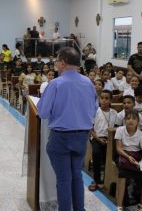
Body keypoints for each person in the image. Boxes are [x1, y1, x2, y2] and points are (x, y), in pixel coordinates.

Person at [37, 48, 97, 211]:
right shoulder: (88, 83)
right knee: (76, 176)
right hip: (81, 137)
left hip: (61, 138)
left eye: (57, 61)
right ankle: (79, 209)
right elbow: (94, 109)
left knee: (64, 179)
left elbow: (42, 112)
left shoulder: (56, 84)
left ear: (62, 62)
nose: (56, 64)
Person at [114, 109, 142, 211]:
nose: (131, 121)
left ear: (138, 121)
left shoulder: (140, 133)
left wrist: (141, 162)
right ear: (125, 120)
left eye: (134, 118)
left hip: (137, 157)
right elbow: (118, 148)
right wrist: (128, 157)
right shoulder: (120, 130)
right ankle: (119, 205)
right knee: (122, 176)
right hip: (124, 155)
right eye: (128, 118)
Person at [88, 90, 117, 192]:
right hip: (97, 137)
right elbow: (90, 129)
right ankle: (96, 180)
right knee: (96, 153)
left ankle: (107, 178)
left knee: (113, 156)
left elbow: (115, 128)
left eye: (107, 98)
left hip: (110, 139)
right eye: (102, 98)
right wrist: (98, 139)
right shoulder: (95, 111)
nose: (104, 100)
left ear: (110, 100)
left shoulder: (114, 113)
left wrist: (110, 140)